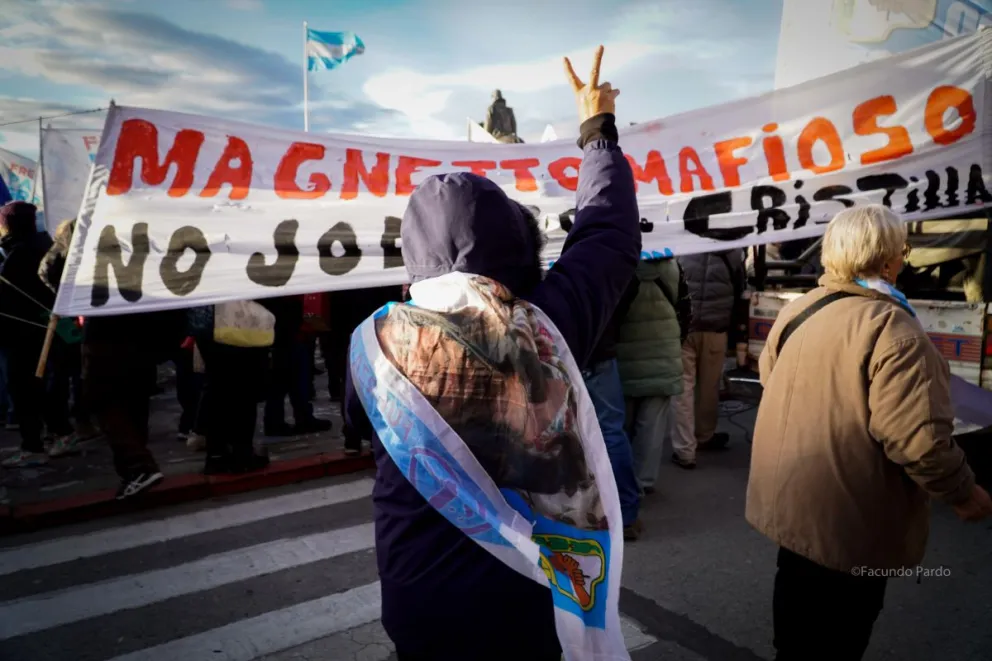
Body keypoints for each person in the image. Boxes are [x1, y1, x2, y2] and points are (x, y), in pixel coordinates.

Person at [344, 46, 638, 660]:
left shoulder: (371, 346)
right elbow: (607, 236)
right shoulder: (544, 327)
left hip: (420, 602)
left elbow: (356, 426)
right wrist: (596, 133)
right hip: (523, 603)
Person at [747, 204, 992, 661]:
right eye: (904, 250)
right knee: (836, 642)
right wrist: (964, 493)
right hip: (850, 523)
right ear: (886, 261)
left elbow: (772, 379)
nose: (905, 258)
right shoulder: (894, 329)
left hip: (795, 506)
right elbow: (919, 441)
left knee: (795, 636)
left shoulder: (799, 309)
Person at [615, 257, 686, 495]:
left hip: (625, 354)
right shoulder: (673, 265)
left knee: (622, 425)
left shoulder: (619, 265)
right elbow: (685, 309)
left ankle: (622, 483)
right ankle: (643, 481)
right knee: (652, 427)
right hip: (663, 353)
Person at [672, 248, 745, 468]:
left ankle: (685, 449)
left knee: (682, 387)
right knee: (709, 386)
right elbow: (740, 287)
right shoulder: (732, 252)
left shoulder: (683, 249)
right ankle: (704, 435)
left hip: (686, 327)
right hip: (716, 328)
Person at [582, 279, 642, 539]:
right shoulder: (611, 263)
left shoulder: (560, 261)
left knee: (569, 434)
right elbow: (630, 288)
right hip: (601, 354)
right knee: (611, 432)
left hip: (566, 351)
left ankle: (579, 513)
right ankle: (626, 515)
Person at [0, 202, 54, 468]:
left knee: (23, 390)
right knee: (43, 385)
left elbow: (8, 298)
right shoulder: (45, 245)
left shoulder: (19, 254)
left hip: (21, 332)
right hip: (45, 329)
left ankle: (33, 445)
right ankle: (58, 433)